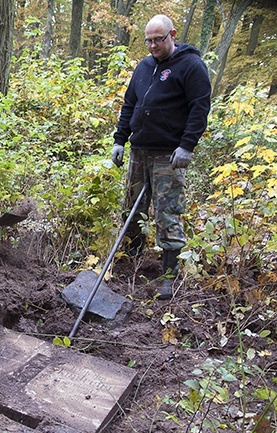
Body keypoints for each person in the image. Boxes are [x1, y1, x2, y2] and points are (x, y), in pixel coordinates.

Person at [111, 14, 211, 299]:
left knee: (168, 212)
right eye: (149, 40)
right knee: (132, 208)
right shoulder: (143, 67)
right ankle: (131, 264)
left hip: (169, 154)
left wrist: (187, 146)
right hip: (139, 150)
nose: (153, 45)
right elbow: (129, 104)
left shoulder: (191, 66)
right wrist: (120, 140)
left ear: (172, 35)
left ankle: (168, 276)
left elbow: (199, 108)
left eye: (159, 39)